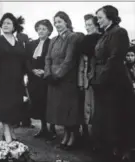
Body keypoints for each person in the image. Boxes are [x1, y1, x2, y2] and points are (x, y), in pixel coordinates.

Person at [91, 5, 134, 160]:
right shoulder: (105, 34)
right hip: (104, 79)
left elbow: (115, 58)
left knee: (115, 116)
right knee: (105, 117)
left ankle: (119, 150)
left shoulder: (119, 32)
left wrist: (100, 79)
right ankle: (107, 148)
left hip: (115, 82)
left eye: (100, 17)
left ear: (110, 17)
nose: (98, 21)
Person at [44, 11, 84, 150]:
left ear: (66, 22)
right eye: (55, 22)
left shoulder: (72, 37)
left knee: (69, 110)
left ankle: (73, 137)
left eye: (60, 22)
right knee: (59, 110)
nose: (57, 25)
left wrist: (58, 75)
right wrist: (48, 74)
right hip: (53, 79)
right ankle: (66, 135)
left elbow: (69, 59)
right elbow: (48, 58)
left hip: (67, 79)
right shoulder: (54, 39)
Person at [0, 13, 27, 143]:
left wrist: (28, 74)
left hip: (16, 82)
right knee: (4, 109)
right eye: (3, 23)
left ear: (14, 26)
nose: (5, 25)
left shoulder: (19, 43)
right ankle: (7, 135)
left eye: (8, 23)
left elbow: (24, 62)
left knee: (14, 108)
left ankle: (12, 132)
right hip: (1, 81)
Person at [25, 19, 56, 140]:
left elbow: (53, 60)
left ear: (49, 31)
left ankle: (52, 128)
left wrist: (44, 71)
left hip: (46, 78)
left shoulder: (52, 43)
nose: (41, 31)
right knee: (38, 103)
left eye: (44, 29)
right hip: (34, 78)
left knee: (49, 102)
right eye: (39, 28)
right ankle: (43, 128)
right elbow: (26, 60)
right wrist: (32, 70)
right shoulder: (31, 44)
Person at [78, 14, 102, 145]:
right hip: (87, 79)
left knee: (97, 110)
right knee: (87, 109)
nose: (87, 28)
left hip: (99, 79)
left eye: (90, 25)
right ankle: (88, 137)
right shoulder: (86, 40)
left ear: (96, 25)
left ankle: (97, 139)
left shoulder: (102, 39)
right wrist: (81, 81)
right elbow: (82, 63)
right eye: (86, 25)